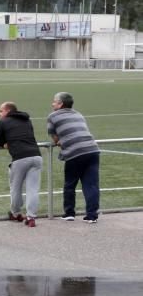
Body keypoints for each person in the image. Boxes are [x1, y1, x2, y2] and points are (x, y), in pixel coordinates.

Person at [47, 92, 100, 223]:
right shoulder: (78, 114)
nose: (52, 104)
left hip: (74, 153)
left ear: (61, 104)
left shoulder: (53, 116)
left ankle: (69, 212)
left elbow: (54, 137)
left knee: (70, 184)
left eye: (54, 101)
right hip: (92, 150)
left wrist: (59, 141)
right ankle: (92, 216)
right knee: (91, 185)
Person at [0, 102, 42, 227]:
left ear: (7, 111)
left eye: (1, 111)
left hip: (20, 158)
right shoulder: (27, 120)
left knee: (15, 188)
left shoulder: (3, 122)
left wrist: (6, 144)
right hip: (36, 156)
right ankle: (31, 218)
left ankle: (16, 213)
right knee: (33, 189)